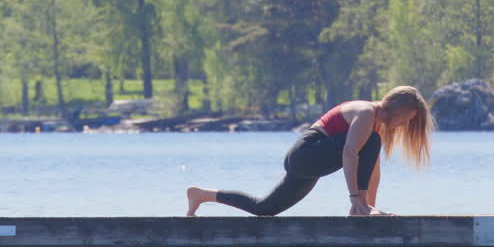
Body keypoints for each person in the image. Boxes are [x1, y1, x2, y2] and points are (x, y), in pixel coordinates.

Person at [185, 86, 433, 217]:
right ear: (396, 108)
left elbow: (372, 170)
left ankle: (201, 194)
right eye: (407, 118)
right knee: (372, 142)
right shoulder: (367, 113)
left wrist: (370, 206)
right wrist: (357, 202)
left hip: (308, 163)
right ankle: (359, 207)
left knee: (265, 209)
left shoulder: (375, 126)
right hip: (306, 153)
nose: (405, 125)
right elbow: (349, 154)